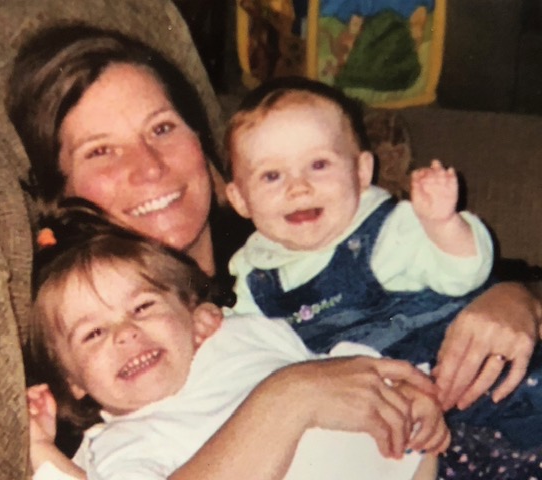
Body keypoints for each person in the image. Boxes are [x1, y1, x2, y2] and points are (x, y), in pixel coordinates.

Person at [5, 22, 542, 475]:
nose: (148, 166)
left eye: (162, 128)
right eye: (101, 151)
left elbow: (453, 263)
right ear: (62, 192)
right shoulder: (86, 346)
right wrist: (290, 396)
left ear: (205, 145)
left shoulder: (288, 228)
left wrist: (515, 300)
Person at [223, 76, 542, 449]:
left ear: (361, 172)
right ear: (240, 198)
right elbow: (247, 346)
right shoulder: (255, 275)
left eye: (319, 165)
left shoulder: (390, 230)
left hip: (495, 380)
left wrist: (442, 224)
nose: (298, 187)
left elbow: (465, 273)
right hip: (411, 424)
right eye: (272, 175)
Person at [26, 202, 448, 479]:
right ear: (71, 381)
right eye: (94, 333)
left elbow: (348, 367)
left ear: (192, 313)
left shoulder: (242, 332)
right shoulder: (124, 443)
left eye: (143, 307)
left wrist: (415, 394)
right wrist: (43, 455)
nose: (127, 334)